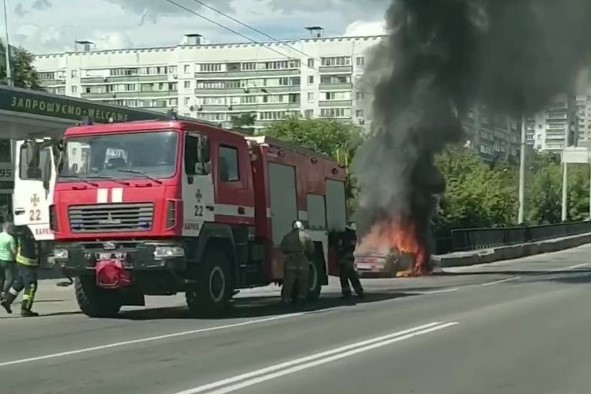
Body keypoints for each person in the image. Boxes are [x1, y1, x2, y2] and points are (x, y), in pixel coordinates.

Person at [1, 226, 40, 317]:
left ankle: (7, 300)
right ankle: (25, 309)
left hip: (23, 261)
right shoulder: (24, 228)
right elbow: (12, 229)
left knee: (20, 283)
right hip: (27, 261)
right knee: (31, 285)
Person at [280, 220, 315, 306]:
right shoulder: (306, 237)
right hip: (302, 263)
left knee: (288, 283)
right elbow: (311, 249)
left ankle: (285, 300)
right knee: (303, 282)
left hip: (290, 263)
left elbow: (283, 248)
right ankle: (301, 299)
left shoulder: (287, 237)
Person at [336, 222, 364, 299]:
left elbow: (342, 246)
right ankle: (358, 291)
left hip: (345, 258)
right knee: (351, 275)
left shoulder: (346, 236)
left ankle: (347, 293)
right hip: (349, 258)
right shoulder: (353, 236)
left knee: (345, 276)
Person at [0, 222, 17, 300]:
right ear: (9, 228)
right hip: (8, 260)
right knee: (10, 278)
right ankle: (4, 292)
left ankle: (0, 292)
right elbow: (14, 251)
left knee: (1, 277)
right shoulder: (10, 238)